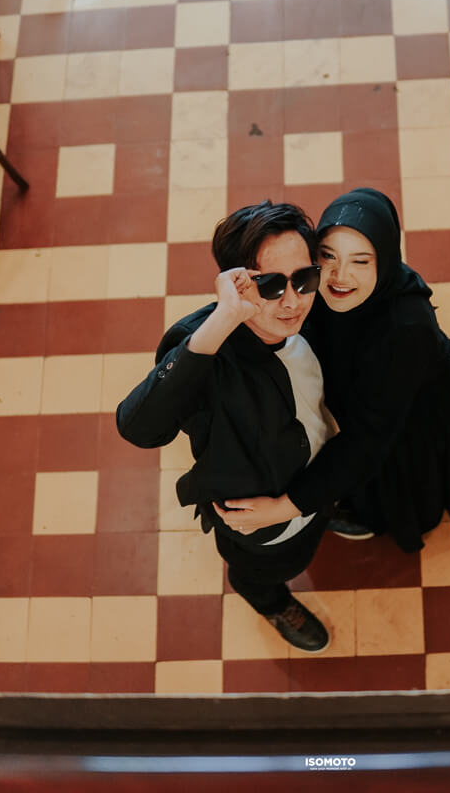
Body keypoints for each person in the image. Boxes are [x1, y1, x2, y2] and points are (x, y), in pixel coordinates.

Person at [116, 201, 337, 652]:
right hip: (261, 517)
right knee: (264, 570)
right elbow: (139, 428)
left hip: (317, 479)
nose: (292, 301)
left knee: (319, 523)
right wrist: (223, 318)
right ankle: (271, 603)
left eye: (304, 279)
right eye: (270, 285)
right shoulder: (208, 344)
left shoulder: (314, 316)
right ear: (236, 282)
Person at [215, 187, 450, 553]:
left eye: (361, 261)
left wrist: (284, 508)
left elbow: (367, 440)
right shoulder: (311, 283)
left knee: (401, 480)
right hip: (367, 397)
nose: (340, 276)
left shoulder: (407, 329)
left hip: (420, 410)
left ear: (383, 261)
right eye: (328, 256)